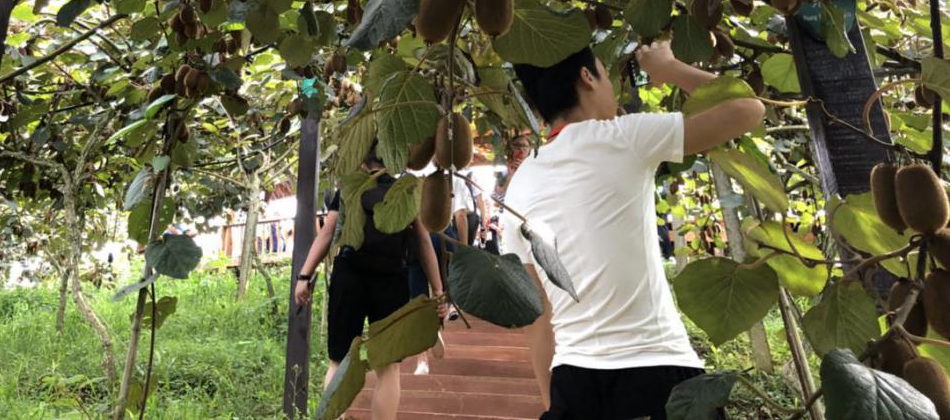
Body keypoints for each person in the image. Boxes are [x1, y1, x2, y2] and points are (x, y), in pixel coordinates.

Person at [502, 41, 764, 420]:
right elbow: (748, 109)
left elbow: (536, 315)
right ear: (587, 77)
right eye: (606, 75)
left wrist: (552, 404)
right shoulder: (623, 137)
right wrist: (668, 67)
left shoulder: (520, 186)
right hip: (658, 370)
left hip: (573, 379)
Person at [294, 145, 447, 419]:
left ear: (363, 160)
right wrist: (438, 290)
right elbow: (423, 241)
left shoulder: (350, 189)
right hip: (391, 279)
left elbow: (327, 234)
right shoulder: (407, 191)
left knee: (338, 361)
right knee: (388, 368)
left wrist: (304, 275)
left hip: (349, 276)